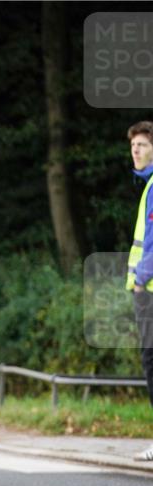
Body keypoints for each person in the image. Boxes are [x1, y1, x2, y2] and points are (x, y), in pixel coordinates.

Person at [124, 123, 153, 461]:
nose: (136, 150)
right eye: (134, 145)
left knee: (151, 362)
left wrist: (142, 279)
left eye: (143, 145)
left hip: (149, 291)